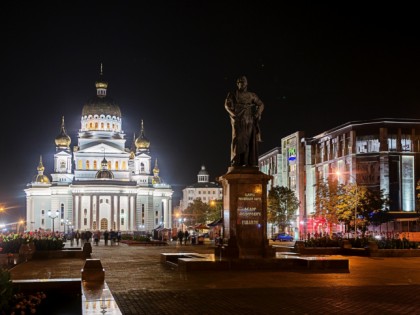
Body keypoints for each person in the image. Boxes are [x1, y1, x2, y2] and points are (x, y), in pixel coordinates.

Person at [225, 75, 264, 167]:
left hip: (248, 119)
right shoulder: (233, 94)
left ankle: (246, 161)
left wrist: (258, 113)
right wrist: (233, 114)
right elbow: (227, 105)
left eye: (243, 82)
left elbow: (261, 104)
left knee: (248, 140)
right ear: (237, 84)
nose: (242, 84)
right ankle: (236, 160)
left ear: (246, 84)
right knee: (238, 139)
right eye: (240, 82)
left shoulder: (252, 95)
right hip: (238, 119)